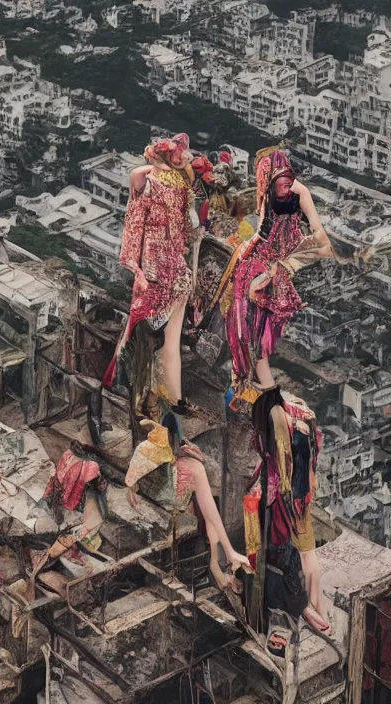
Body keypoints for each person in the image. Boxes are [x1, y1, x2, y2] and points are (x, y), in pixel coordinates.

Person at [217, 148, 333, 413]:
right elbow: (262, 230)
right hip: (254, 262)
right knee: (244, 330)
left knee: (252, 333)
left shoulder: (296, 191)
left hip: (266, 269)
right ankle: (250, 388)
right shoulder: (270, 186)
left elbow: (323, 244)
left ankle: (262, 395)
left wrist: (282, 266)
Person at [103, 134, 197, 415]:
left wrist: (137, 271)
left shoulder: (148, 186)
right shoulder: (182, 186)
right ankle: (176, 399)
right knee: (170, 342)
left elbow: (132, 232)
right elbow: (187, 232)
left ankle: (132, 394)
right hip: (178, 273)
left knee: (137, 336)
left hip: (153, 273)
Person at [125, 412, 251, 594]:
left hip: (166, 488)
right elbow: (210, 514)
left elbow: (132, 477)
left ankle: (218, 560)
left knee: (208, 512)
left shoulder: (148, 451)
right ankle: (223, 556)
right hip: (167, 491)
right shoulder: (173, 460)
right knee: (206, 503)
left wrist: (132, 486)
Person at [243, 385, 330, 641]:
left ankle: (314, 609)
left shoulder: (283, 421)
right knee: (299, 555)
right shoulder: (294, 414)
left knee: (298, 555)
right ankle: (311, 609)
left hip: (290, 494)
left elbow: (285, 463)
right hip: (291, 492)